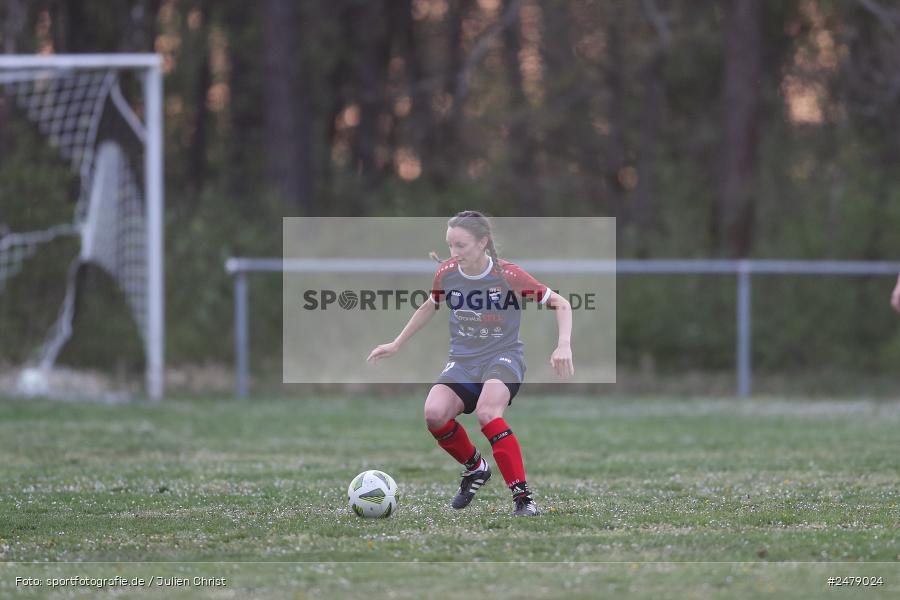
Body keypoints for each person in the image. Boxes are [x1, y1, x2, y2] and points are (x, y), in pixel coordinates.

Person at [367, 211, 574, 516]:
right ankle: (476, 467)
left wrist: (563, 344)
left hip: (503, 357)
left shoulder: (507, 275)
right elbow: (430, 305)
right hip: (463, 361)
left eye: (461, 245)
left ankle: (523, 498)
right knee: (434, 414)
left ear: (482, 242)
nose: (454, 252)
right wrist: (397, 343)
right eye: (450, 245)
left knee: (488, 413)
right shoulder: (448, 273)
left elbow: (560, 303)